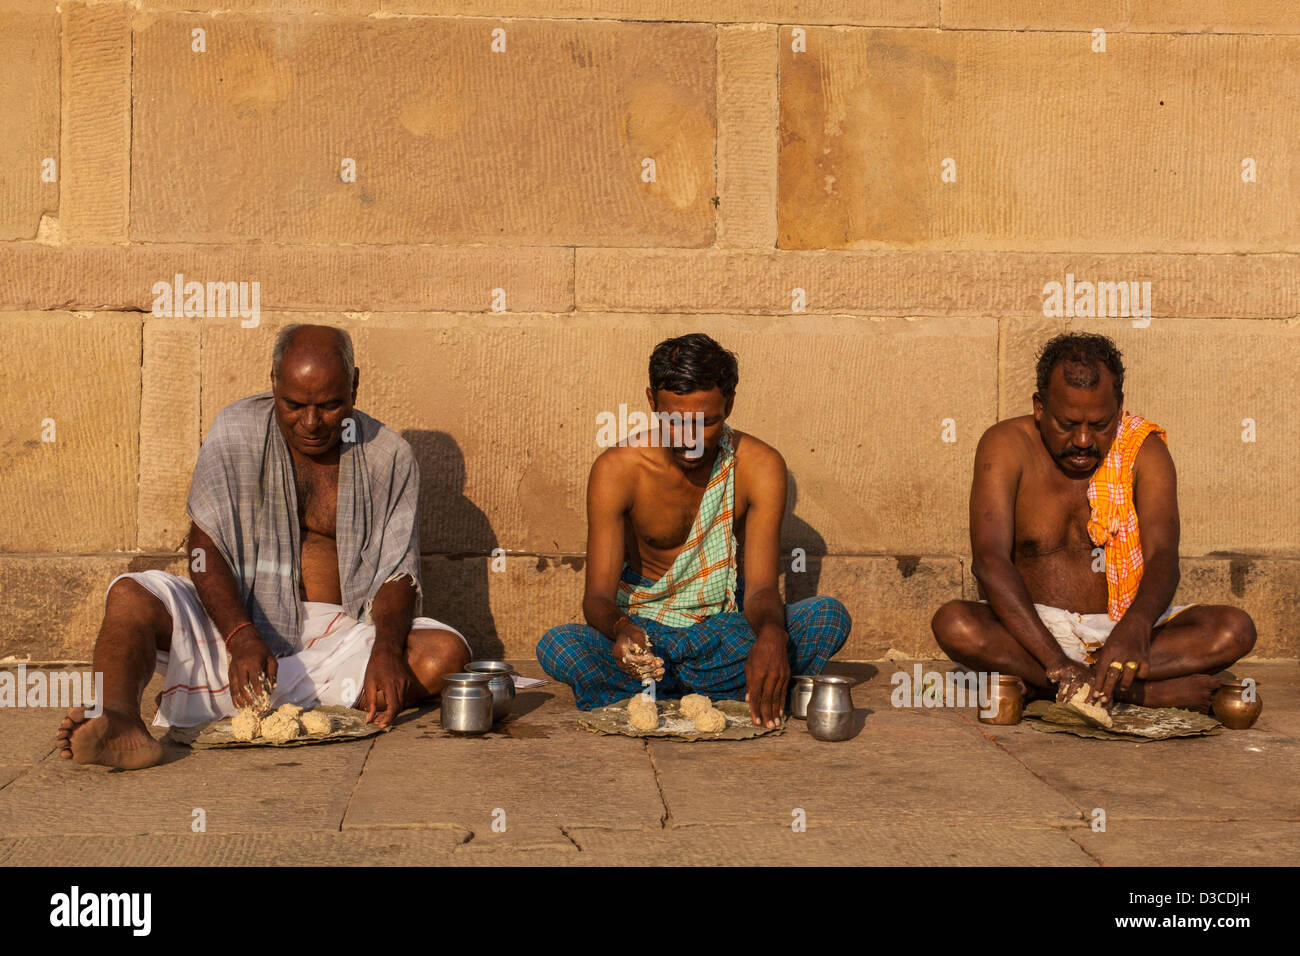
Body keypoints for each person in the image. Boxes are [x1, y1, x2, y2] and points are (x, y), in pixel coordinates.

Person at [56, 324, 470, 769]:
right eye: (294, 405)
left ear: (354, 386)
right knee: (130, 594)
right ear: (273, 383)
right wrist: (240, 637)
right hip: (235, 624)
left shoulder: (388, 455)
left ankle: (239, 701)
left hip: (342, 639)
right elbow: (204, 546)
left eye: (330, 406)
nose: (311, 423)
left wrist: (385, 651)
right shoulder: (235, 431)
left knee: (444, 654)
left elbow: (396, 571)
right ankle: (119, 719)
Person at [537, 333, 851, 727]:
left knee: (825, 616)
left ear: (730, 404)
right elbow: (598, 596)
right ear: (652, 403)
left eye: (707, 422)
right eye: (676, 421)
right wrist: (623, 629)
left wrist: (771, 635)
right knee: (560, 646)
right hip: (647, 636)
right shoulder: (617, 470)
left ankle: (656, 700)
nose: (691, 440)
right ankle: (733, 693)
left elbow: (760, 591)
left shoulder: (759, 465)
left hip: (722, 630)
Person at [931, 332, 1255, 714]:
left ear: (1118, 411)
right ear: (1040, 407)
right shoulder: (1005, 445)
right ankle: (1133, 693)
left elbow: (1164, 555)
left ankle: (1052, 686)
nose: (1083, 440)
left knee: (1234, 630)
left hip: (1123, 630)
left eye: (1100, 424)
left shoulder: (1144, 451)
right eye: (1067, 424)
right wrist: (1056, 662)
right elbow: (989, 560)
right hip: (1032, 634)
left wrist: (1134, 629)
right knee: (955, 623)